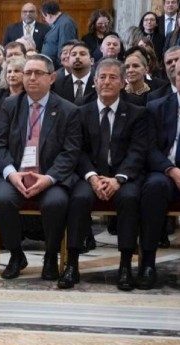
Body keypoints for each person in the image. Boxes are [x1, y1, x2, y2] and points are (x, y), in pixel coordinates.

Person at [0, 54, 82, 281]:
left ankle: (50, 256)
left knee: (56, 202)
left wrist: (49, 178)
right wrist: (11, 174)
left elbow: (70, 152)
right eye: (27, 73)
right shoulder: (11, 105)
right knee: (2, 199)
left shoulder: (68, 110)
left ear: (51, 78)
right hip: (16, 173)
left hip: (50, 176)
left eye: (38, 73)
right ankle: (15, 255)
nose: (31, 78)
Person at [62, 58, 148, 290]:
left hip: (123, 177)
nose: (107, 82)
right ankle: (72, 264)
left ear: (122, 83)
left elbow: (137, 152)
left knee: (130, 199)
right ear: (95, 82)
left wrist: (118, 179)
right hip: (89, 176)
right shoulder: (80, 112)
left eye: (113, 77)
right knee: (78, 198)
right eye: (102, 77)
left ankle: (125, 266)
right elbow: (76, 150)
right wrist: (91, 176)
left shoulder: (137, 113)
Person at [140, 62, 180, 289]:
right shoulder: (157, 107)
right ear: (174, 78)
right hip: (165, 171)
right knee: (153, 188)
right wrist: (173, 171)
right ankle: (147, 262)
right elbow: (149, 149)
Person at [52, 41, 96, 106]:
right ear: (69, 60)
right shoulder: (58, 83)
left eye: (82, 54)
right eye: (73, 54)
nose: (77, 57)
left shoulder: (99, 82)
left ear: (92, 61)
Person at [40, 1, 78, 66]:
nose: (45, 20)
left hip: (58, 67)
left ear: (49, 15)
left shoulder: (66, 24)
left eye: (44, 17)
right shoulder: (59, 22)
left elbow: (65, 49)